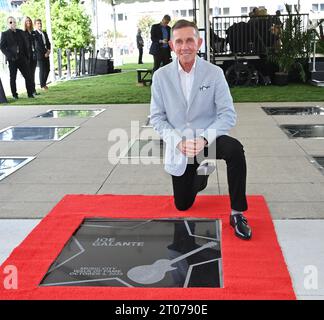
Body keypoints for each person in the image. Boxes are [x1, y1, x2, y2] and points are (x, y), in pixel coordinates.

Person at [150, 20, 252, 240]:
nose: (184, 46)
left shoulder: (214, 73)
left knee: (235, 150)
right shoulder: (160, 77)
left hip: (208, 139)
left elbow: (227, 114)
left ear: (199, 42)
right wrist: (177, 142)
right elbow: (157, 118)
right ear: (171, 45)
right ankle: (202, 176)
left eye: (189, 40)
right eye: (179, 41)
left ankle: (237, 213)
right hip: (181, 144)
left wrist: (205, 139)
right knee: (183, 205)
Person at [0, 16, 34, 99]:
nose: (13, 23)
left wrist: (27, 56)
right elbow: (2, 47)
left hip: (22, 58)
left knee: (28, 76)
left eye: (14, 22)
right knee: (13, 78)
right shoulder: (5, 34)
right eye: (10, 22)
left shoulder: (21, 32)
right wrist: (9, 56)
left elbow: (26, 44)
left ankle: (30, 94)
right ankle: (15, 95)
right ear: (8, 24)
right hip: (12, 60)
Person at [34, 18, 51, 90]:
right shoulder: (34, 34)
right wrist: (45, 52)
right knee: (42, 70)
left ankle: (44, 83)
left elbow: (48, 42)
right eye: (38, 23)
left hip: (46, 53)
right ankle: (42, 85)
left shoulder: (44, 33)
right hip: (40, 54)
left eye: (40, 23)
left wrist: (49, 50)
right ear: (35, 25)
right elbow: (38, 45)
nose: (40, 25)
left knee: (48, 69)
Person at [23, 16, 38, 96]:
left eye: (29, 21)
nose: (28, 22)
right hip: (27, 57)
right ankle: (30, 91)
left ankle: (34, 90)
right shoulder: (23, 33)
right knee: (28, 75)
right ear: (24, 23)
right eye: (26, 21)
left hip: (34, 56)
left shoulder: (33, 32)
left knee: (33, 74)